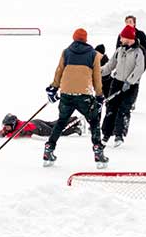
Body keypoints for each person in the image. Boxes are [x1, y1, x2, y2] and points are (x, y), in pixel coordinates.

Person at [43, 28, 107, 168]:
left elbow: (59, 71)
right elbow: (97, 77)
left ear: (74, 38)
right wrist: (99, 95)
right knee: (94, 121)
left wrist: (54, 87)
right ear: (85, 39)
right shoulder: (93, 54)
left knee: (61, 122)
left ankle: (49, 148)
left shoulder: (66, 52)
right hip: (84, 94)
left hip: (66, 93)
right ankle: (98, 152)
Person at [101, 25, 145, 147]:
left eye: (122, 37)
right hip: (117, 83)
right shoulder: (119, 51)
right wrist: (97, 72)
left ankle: (119, 135)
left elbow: (139, 69)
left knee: (123, 110)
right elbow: (110, 66)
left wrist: (130, 82)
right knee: (111, 108)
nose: (120, 40)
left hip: (131, 86)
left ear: (128, 38)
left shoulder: (138, 52)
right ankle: (106, 134)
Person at [0, 113, 81, 139]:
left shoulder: (20, 129)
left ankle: (74, 129)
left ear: (13, 124)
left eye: (7, 126)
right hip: (36, 122)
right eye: (5, 126)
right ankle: (74, 119)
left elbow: (12, 136)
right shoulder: (14, 125)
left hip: (40, 129)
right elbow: (5, 131)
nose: (5, 127)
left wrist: (2, 135)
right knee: (54, 124)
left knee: (57, 132)